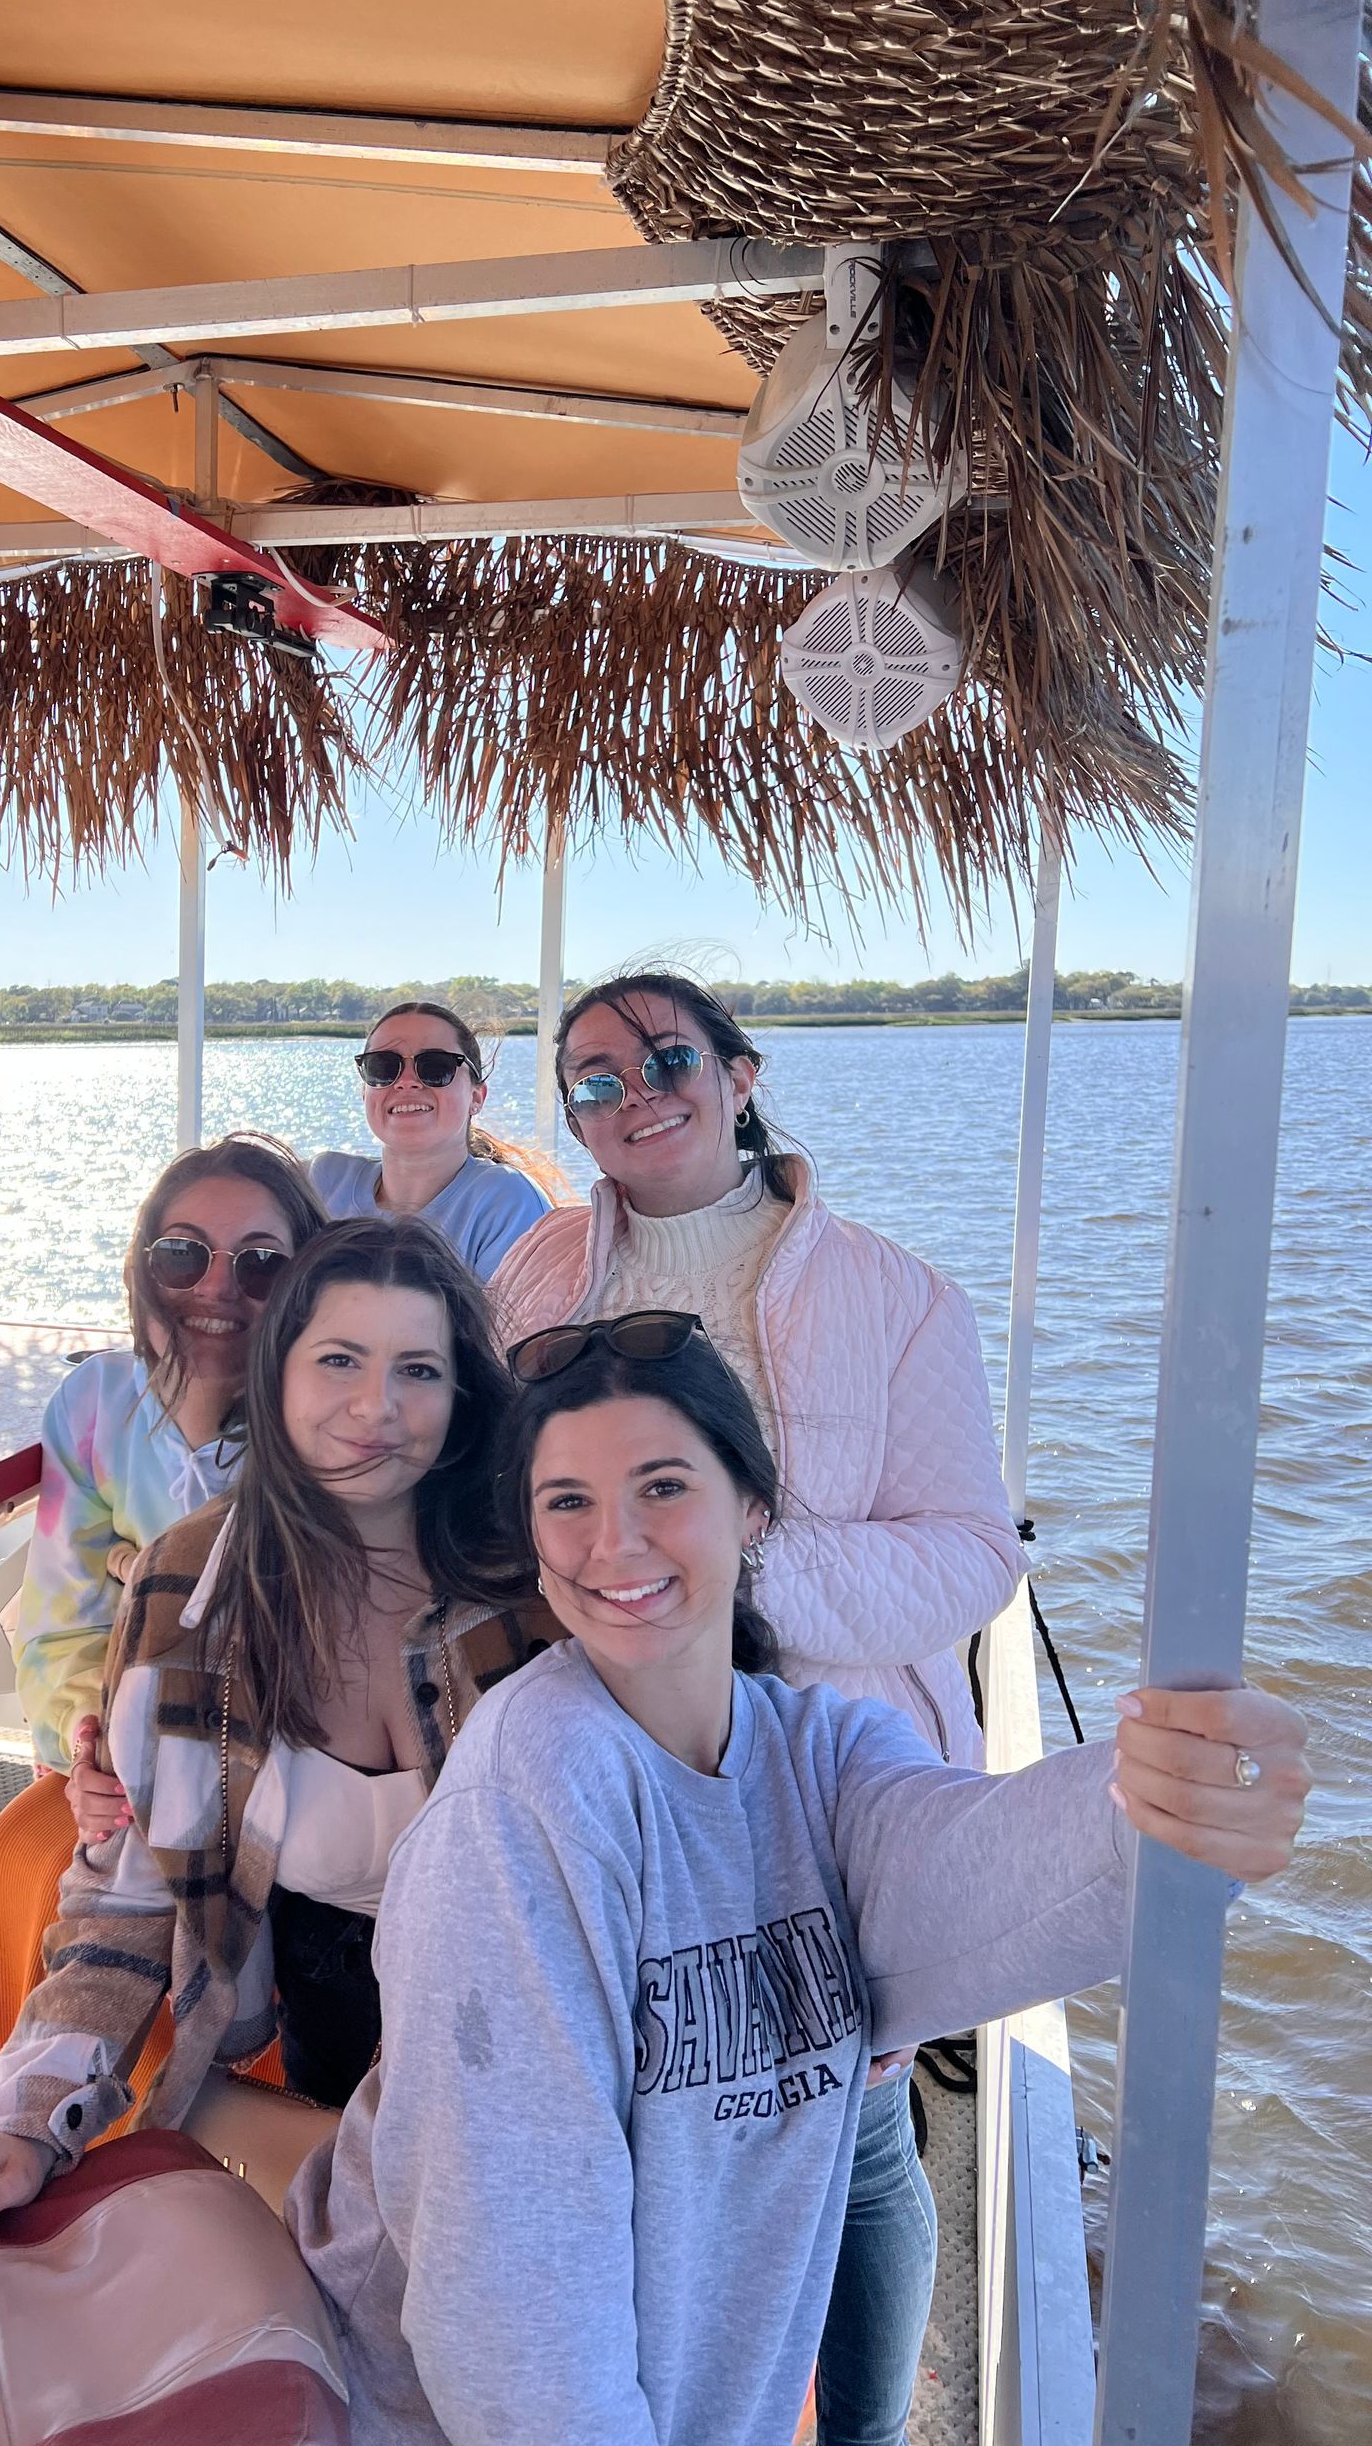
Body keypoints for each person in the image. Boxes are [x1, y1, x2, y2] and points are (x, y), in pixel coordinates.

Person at [289, 1318, 1311, 2446]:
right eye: (567, 1501)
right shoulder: (523, 1803)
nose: (613, 1542)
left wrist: (1166, 1814)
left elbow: (983, 1880)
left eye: (662, 1486)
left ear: (754, 1510)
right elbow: (512, 2295)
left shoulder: (817, 1755)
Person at [489, 968, 1019, 2441]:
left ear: (739, 1073)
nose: (634, 1091)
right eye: (592, 1077)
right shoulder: (534, 1278)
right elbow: (492, 1506)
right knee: (640, 2113)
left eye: (667, 1057)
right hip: (603, 1763)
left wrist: (728, 1570)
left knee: (850, 2128)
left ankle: (861, 2429)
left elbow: (971, 1554)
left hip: (823, 1781)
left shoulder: (897, 1295)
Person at [0, 1216, 561, 2230]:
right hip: (317, 2014)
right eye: (340, 1359)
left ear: (463, 1395)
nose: (375, 1408)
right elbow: (131, 1893)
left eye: (420, 1371)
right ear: (276, 1373)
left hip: (524, 2047)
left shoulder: (537, 1586)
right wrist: (28, 2115)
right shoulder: (186, 1588)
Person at [0, 1131, 326, 2125]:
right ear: (142, 1263)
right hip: (119, 1753)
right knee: (17, 1856)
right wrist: (91, 1754)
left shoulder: (337, 1409)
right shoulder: (93, 1407)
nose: (217, 1285)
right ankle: (33, 2141)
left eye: (260, 1262)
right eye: (182, 1253)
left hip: (282, 1765)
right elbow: (62, 1622)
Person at [311, 999, 553, 1278]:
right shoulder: (324, 1180)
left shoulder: (508, 1201)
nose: (406, 1081)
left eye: (436, 1067)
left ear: (476, 1097)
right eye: (383, 1067)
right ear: (365, 1092)